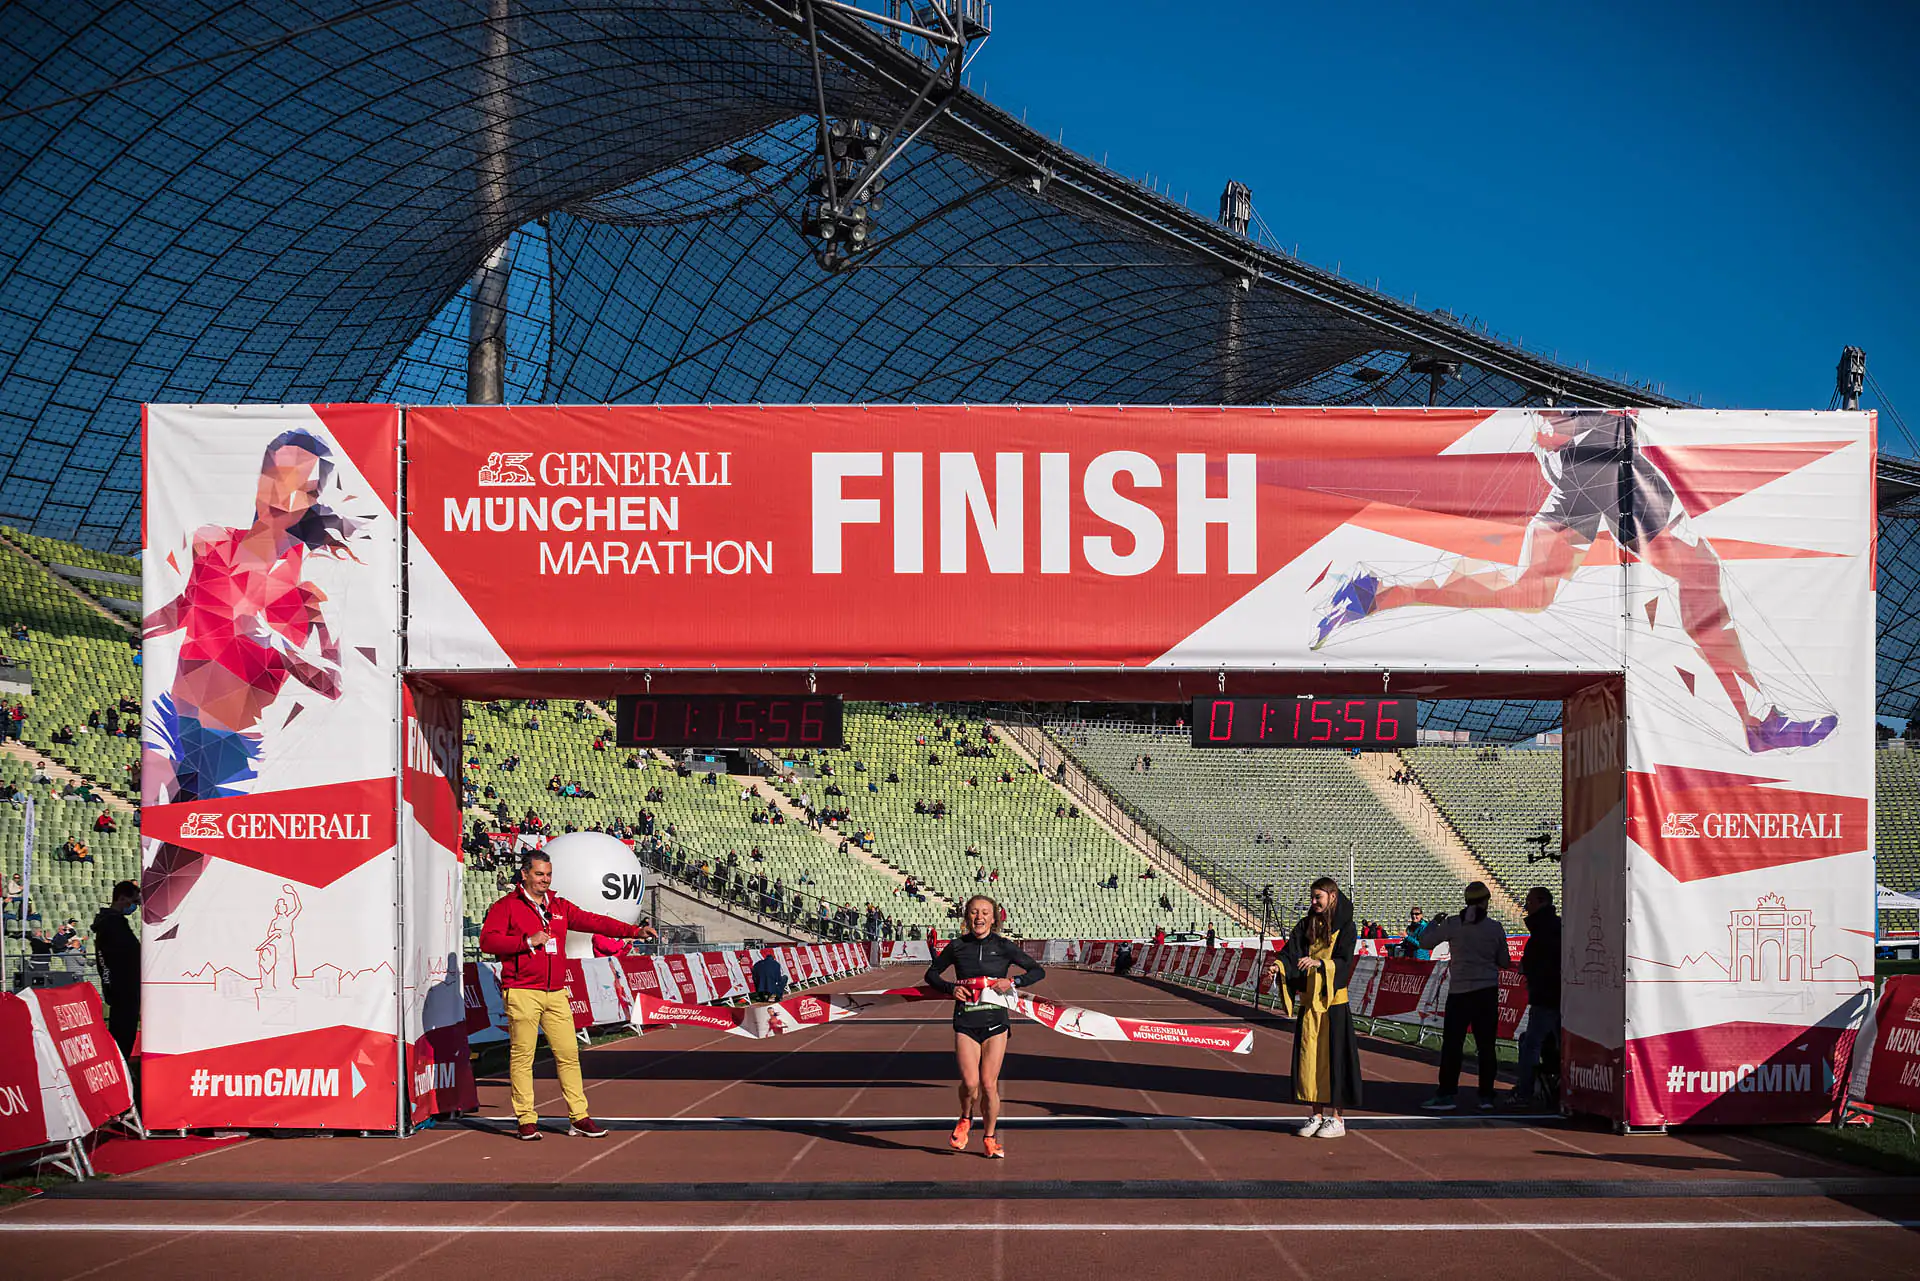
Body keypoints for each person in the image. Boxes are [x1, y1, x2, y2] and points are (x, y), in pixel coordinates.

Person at [1311, 409, 1836, 753]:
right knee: (1699, 572)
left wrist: (1554, 437)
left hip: (1579, 458)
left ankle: (1376, 593)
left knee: (1532, 591)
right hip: (1603, 449)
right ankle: (1757, 717)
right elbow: (1556, 425)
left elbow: (1548, 429)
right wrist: (1566, 431)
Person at [141, 427, 362, 919]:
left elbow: (333, 682)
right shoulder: (210, 543)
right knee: (149, 849)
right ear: (259, 479)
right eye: (273, 478)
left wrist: (278, 644)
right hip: (173, 716)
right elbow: (183, 608)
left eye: (298, 487)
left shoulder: (310, 585)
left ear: (313, 499)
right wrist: (145, 629)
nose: (281, 496)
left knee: (168, 896)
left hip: (232, 741)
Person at [478, 850, 657, 1140]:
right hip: (522, 991)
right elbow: (488, 940)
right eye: (539, 874)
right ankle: (526, 1119)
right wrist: (526, 941)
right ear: (524, 874)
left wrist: (634, 932)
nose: (545, 880)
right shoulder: (506, 906)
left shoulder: (559, 906)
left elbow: (594, 922)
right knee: (523, 1057)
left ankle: (579, 1117)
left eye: (548, 874)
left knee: (568, 1055)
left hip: (555, 991)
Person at [924, 895, 1045, 1159]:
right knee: (970, 1083)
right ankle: (965, 1117)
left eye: (985, 913)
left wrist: (1012, 982)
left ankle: (989, 1138)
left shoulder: (1004, 946)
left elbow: (1037, 971)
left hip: (996, 1024)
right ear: (967, 917)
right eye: (974, 912)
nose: (979, 917)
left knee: (989, 1085)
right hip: (966, 1022)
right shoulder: (956, 947)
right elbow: (931, 975)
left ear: (994, 918)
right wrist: (950, 988)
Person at [1267, 877, 1362, 1138]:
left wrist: (1321, 964)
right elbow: (1291, 951)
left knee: (1335, 1059)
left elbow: (1344, 960)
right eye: (1312, 897)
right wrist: (1279, 966)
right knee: (1309, 1059)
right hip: (1310, 1003)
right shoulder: (1307, 924)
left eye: (1317, 897)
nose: (1313, 902)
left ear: (1332, 896)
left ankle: (1337, 1118)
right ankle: (1316, 1114)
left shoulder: (1347, 926)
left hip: (1333, 1004)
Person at [1417, 882, 1511, 1111]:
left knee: (1452, 1045)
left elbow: (1425, 942)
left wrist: (1433, 923)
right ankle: (1486, 1096)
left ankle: (1446, 1094)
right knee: (1486, 1046)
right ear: (1485, 902)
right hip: (1486, 991)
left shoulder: (1452, 924)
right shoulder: (1495, 927)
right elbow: (1505, 961)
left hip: (1459, 992)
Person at [1509, 887, 1562, 1107]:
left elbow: (1536, 963)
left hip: (1545, 996)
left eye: (1529, 902)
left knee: (1531, 1044)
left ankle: (1525, 1091)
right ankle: (1562, 1089)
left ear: (1541, 902)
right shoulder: (1558, 926)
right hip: (1561, 996)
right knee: (1560, 1045)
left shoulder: (1543, 930)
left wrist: (1530, 970)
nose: (1526, 907)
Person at [93, 881, 141, 1063]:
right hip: (122, 990)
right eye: (134, 902)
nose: (135, 907)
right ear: (122, 899)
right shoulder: (111, 925)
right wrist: (111, 987)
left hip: (125, 989)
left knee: (124, 1036)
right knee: (122, 1038)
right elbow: (104, 961)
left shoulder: (115, 923)